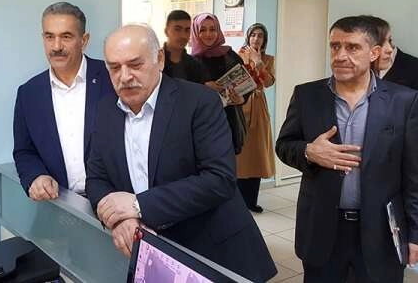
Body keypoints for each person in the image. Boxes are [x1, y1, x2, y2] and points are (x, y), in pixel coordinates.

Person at [85, 24, 277, 282]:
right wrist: (118, 219)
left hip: (212, 251)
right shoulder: (105, 110)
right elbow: (96, 179)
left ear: (160, 59)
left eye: (135, 64)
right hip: (149, 255)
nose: (125, 76)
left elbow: (219, 179)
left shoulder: (199, 102)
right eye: (114, 68)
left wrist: (138, 206)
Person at [276, 16, 418, 283]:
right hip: (322, 228)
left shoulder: (403, 101)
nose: (340, 55)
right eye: (335, 46)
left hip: (380, 231)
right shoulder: (307, 96)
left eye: (352, 47)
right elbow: (284, 145)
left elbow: (417, 175)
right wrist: (309, 151)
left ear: (374, 53)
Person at [13, 2, 114, 199]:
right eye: (49, 37)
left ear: (84, 40)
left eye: (66, 37)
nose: (56, 46)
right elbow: (24, 151)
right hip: (60, 203)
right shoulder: (29, 94)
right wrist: (36, 176)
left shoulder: (112, 78)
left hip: (113, 202)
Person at [190, 13, 249, 155]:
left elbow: (247, 85)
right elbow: (184, 94)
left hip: (229, 122)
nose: (208, 34)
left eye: (213, 29)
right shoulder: (189, 62)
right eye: (202, 30)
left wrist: (241, 99)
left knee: (228, 165)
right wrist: (204, 87)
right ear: (195, 32)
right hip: (202, 126)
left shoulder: (230, 56)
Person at [236, 23, 276, 213]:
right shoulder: (238, 55)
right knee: (240, 154)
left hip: (259, 108)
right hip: (241, 105)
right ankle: (238, 202)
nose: (256, 39)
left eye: (260, 36)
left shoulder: (268, 59)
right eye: (253, 35)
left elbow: (268, 83)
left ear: (264, 40)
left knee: (257, 153)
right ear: (248, 37)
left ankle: (251, 200)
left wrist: (259, 62)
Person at [362, 15, 418, 116]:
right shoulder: (351, 73)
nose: (390, 49)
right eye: (381, 43)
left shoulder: (416, 68)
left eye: (390, 40)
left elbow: (416, 117)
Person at [162, 10, 205, 83]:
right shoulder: (155, 62)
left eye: (187, 30)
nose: (183, 35)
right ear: (166, 31)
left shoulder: (195, 65)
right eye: (177, 29)